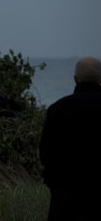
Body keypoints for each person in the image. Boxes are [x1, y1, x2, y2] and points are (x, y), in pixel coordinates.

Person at [39, 57, 101, 221]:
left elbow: (45, 154)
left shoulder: (57, 109)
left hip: (65, 201)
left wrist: (56, 184)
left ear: (75, 78)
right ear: (100, 78)